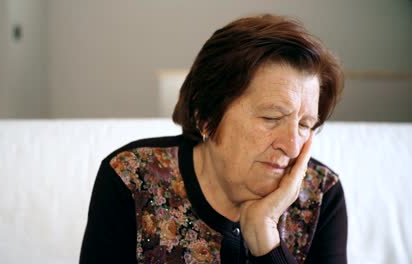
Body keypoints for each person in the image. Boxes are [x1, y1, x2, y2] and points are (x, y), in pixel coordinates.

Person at [80, 14, 347, 264]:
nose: (291, 146)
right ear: (206, 116)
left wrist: (267, 241)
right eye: (271, 118)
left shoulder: (322, 195)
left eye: (304, 124)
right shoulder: (131, 177)